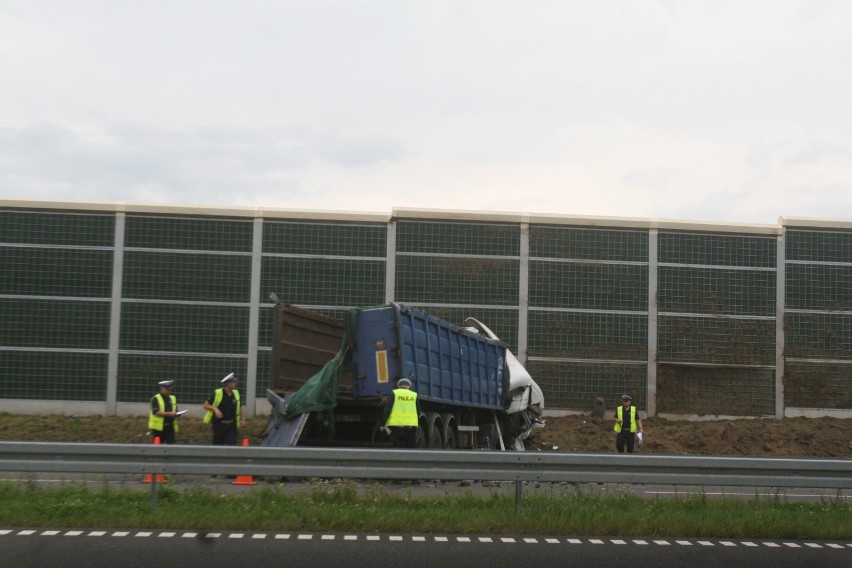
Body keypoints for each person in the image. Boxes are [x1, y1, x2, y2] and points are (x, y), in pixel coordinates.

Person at [203, 372, 246, 446]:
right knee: (218, 446)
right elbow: (206, 405)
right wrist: (215, 409)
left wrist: (243, 419)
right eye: (233, 382)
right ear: (227, 384)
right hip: (219, 425)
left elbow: (240, 407)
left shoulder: (235, 393)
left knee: (231, 445)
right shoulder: (218, 393)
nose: (235, 383)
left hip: (232, 425)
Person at [382, 377, 420, 448]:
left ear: (398, 386)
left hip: (396, 427)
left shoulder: (394, 393)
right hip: (411, 427)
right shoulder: (414, 395)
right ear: (409, 386)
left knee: (398, 449)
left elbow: (387, 410)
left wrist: (382, 424)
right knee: (411, 449)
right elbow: (418, 411)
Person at [149, 380, 179, 444]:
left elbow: (175, 410)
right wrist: (170, 414)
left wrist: (177, 414)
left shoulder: (173, 398)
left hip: (170, 427)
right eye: (167, 389)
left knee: (171, 447)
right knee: (157, 448)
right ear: (162, 389)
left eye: (170, 389)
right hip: (158, 428)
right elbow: (156, 412)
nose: (170, 391)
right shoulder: (155, 398)